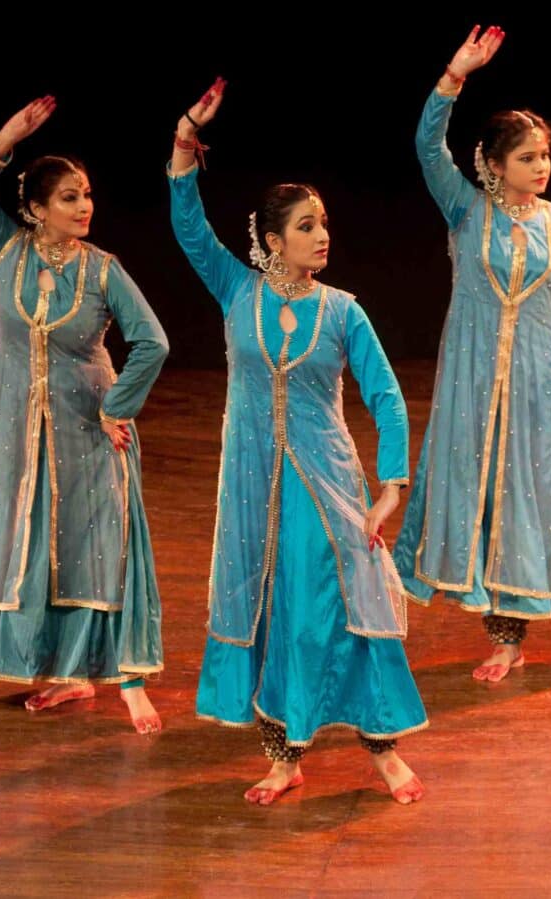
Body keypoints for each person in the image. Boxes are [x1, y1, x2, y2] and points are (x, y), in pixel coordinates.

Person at [169, 79, 427, 806]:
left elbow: (385, 397)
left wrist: (390, 487)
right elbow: (188, 225)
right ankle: (283, 755)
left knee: (333, 608)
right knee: (268, 608)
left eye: (324, 224)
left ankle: (381, 748)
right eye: (308, 226)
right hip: (252, 485)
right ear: (273, 239)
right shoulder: (236, 290)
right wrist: (186, 137)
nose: (323, 235)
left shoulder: (345, 311)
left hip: (326, 481)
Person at [393, 26, 551, 682]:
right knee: (495, 509)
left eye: (544, 157)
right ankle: (506, 637)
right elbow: (425, 145)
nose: (541, 167)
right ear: (494, 163)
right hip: (475, 392)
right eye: (527, 157)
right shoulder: (465, 211)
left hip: (547, 391)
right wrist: (455, 75)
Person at [0, 96, 169, 734]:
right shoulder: (5, 252)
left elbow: (153, 341)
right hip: (20, 428)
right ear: (35, 209)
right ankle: (67, 674)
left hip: (90, 426)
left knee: (102, 545)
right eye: (68, 197)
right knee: (38, 543)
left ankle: (127, 681)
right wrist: (8, 134)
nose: (84, 205)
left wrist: (117, 408)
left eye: (86, 193)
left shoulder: (103, 270)